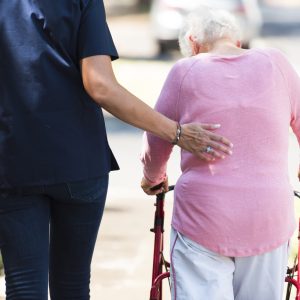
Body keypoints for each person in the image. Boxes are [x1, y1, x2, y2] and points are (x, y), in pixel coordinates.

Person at [0, 1, 234, 299]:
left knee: (23, 285)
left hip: (13, 161)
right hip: (78, 161)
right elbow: (100, 86)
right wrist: (176, 133)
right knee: (71, 284)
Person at [141, 7, 300, 300]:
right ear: (236, 41)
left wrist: (153, 178)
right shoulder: (277, 62)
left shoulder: (185, 70)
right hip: (268, 216)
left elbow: (157, 137)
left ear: (192, 42)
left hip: (204, 218)